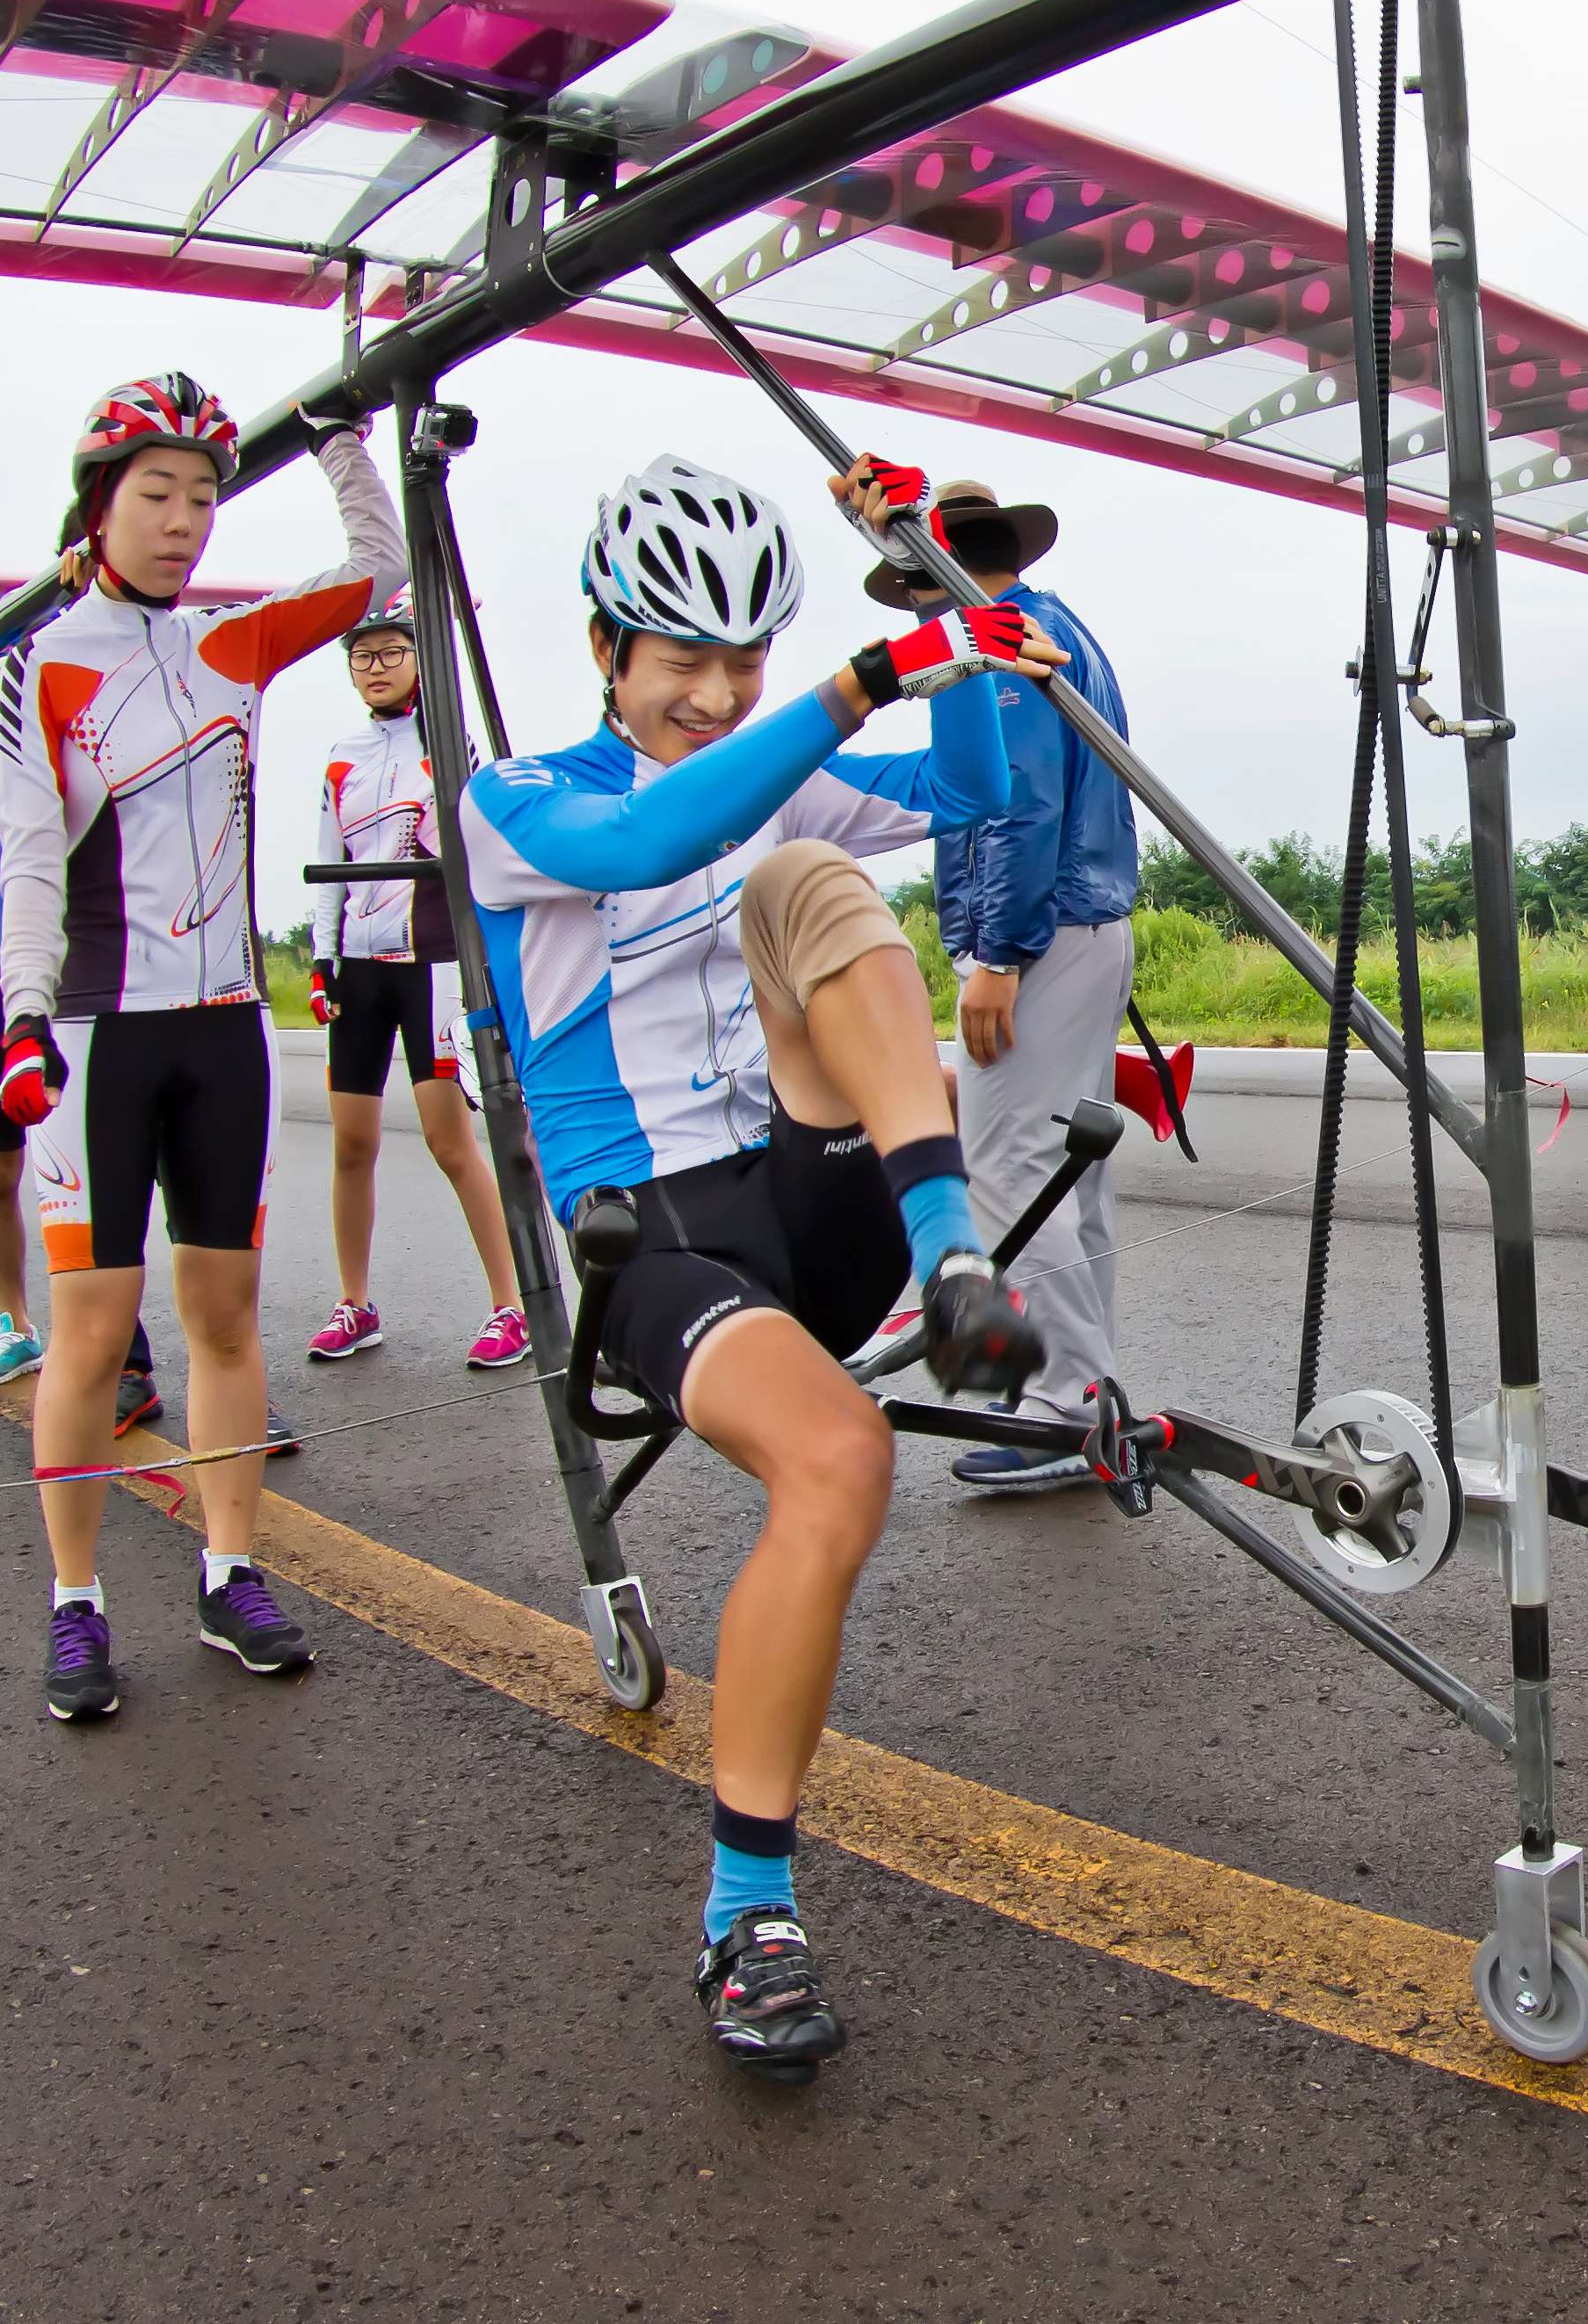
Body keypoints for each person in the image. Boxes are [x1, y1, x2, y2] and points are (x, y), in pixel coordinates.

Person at [460, 448, 1053, 2080]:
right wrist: (862, 674)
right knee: (842, 1458)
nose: (718, 693)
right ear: (605, 648)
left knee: (812, 873)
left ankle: (951, 1256)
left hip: (819, 1197)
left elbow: (978, 794)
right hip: (658, 1239)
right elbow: (651, 839)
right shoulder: (517, 803)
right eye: (681, 659)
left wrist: (969, 629)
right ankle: (747, 1908)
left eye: (743, 658)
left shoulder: (778, 775)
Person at [0, 373, 405, 1725]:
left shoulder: (237, 642)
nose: (184, 521)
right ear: (99, 504)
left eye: (206, 496)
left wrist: (342, 434)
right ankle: (75, 1602)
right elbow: (34, 866)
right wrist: (19, 1019)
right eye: (156, 493)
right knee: (92, 1334)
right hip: (97, 1036)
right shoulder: (36, 666)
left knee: (225, 1314)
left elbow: (379, 568)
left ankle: (233, 1572)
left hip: (225, 1026)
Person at [869, 478, 1142, 1492]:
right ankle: (1087, 1385)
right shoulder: (1055, 623)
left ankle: (1068, 1405)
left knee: (1011, 1162)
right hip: (1085, 919)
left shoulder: (996, 642)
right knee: (1072, 1169)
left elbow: (1019, 805)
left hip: (1040, 927)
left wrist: (996, 954)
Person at [301, 596, 531, 1373]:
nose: (375, 667)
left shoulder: (448, 743)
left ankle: (513, 1304)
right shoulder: (340, 755)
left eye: (391, 652)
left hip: (429, 962)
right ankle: (354, 1302)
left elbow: (464, 833)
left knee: (448, 1139)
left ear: (417, 657)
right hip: (359, 970)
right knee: (352, 1142)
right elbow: (327, 866)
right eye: (361, 656)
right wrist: (320, 958)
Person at [0, 633, 158, 1423]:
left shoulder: (82, 746)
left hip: (75, 976)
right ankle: (15, 1325)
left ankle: (141, 1356)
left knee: (92, 1180)